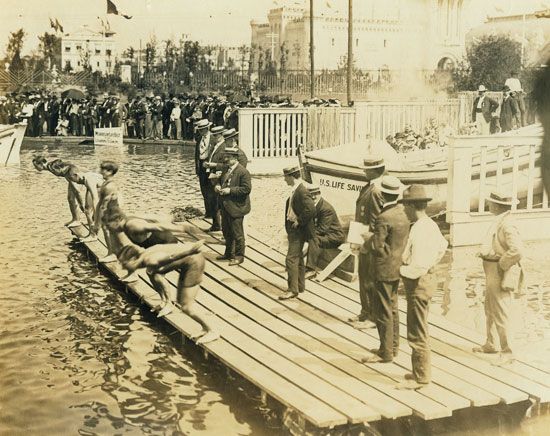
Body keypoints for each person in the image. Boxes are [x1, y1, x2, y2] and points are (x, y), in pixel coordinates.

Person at [118, 240, 220, 344]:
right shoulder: (144, 255)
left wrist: (190, 251)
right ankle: (204, 328)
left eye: (125, 264)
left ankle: (212, 331)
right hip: (188, 262)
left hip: (194, 263)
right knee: (155, 275)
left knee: (186, 307)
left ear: (134, 259)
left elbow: (172, 257)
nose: (123, 267)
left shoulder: (151, 260)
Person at [397, 185, 448, 389]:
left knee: (417, 330)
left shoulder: (421, 229)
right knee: (419, 326)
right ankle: (418, 370)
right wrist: (432, 264)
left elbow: (418, 265)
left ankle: (422, 378)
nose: (403, 210)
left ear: (411, 206)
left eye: (405, 206)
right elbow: (443, 246)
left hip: (418, 283)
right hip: (427, 280)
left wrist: (401, 271)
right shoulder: (428, 224)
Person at [362, 176, 409, 364]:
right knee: (394, 308)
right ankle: (394, 347)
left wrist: (366, 239)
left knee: (383, 310)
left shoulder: (383, 217)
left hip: (382, 269)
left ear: (382, 195)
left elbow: (377, 245)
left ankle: (385, 352)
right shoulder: (404, 214)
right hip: (397, 267)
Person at [473, 191, 524, 359]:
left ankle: (508, 352)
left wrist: (501, 264)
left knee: (501, 310)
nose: (489, 205)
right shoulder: (501, 221)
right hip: (491, 268)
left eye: (490, 202)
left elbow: (517, 250)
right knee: (490, 308)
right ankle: (492, 343)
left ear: (497, 205)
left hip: (498, 270)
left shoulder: (507, 224)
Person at [349, 157, 386, 328]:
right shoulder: (369, 187)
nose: (364, 172)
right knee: (364, 278)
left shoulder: (376, 191)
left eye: (366, 169)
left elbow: (378, 221)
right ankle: (365, 312)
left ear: (375, 171)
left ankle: (372, 317)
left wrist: (368, 242)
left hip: (369, 242)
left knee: (370, 280)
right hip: (362, 239)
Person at [279, 166, 316, 300]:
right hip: (294, 229)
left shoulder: (301, 190)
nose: (284, 180)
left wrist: (299, 221)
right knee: (299, 258)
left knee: (291, 259)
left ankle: (292, 290)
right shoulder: (297, 189)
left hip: (298, 231)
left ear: (291, 176)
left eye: (285, 177)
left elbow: (311, 209)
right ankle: (300, 286)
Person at [215, 147, 252, 266]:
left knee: (238, 233)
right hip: (225, 206)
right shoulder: (226, 169)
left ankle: (239, 256)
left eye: (228, 157)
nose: (226, 159)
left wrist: (230, 191)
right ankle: (228, 253)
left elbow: (246, 189)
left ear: (235, 158)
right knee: (226, 231)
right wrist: (217, 186)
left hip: (236, 207)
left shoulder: (243, 172)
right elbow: (219, 181)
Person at [305, 185, 346, 278]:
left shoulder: (326, 209)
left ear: (319, 194)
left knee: (314, 240)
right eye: (310, 195)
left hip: (335, 237)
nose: (313, 197)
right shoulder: (312, 205)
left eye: (316, 194)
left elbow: (322, 229)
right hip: (325, 235)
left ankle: (311, 270)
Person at [93, 161, 122, 263]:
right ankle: (111, 252)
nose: (100, 171)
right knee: (106, 230)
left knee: (108, 231)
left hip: (112, 212)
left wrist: (98, 222)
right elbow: (100, 203)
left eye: (103, 170)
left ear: (110, 172)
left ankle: (112, 254)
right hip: (108, 211)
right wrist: (95, 215)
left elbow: (103, 205)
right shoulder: (105, 183)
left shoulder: (110, 186)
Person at [66, 165, 104, 242]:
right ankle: (93, 232)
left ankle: (93, 235)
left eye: (72, 179)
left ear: (76, 175)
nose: (73, 181)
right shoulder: (87, 176)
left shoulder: (88, 180)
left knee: (88, 211)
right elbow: (100, 176)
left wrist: (96, 214)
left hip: (103, 190)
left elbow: (95, 198)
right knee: (88, 210)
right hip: (102, 188)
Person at [203, 126, 226, 232]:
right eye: (214, 135)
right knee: (212, 201)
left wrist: (213, 165)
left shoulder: (224, 147)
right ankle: (216, 224)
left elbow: (225, 165)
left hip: (218, 177)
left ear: (221, 135)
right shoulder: (215, 146)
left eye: (216, 136)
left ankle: (218, 225)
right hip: (211, 176)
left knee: (217, 202)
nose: (214, 137)